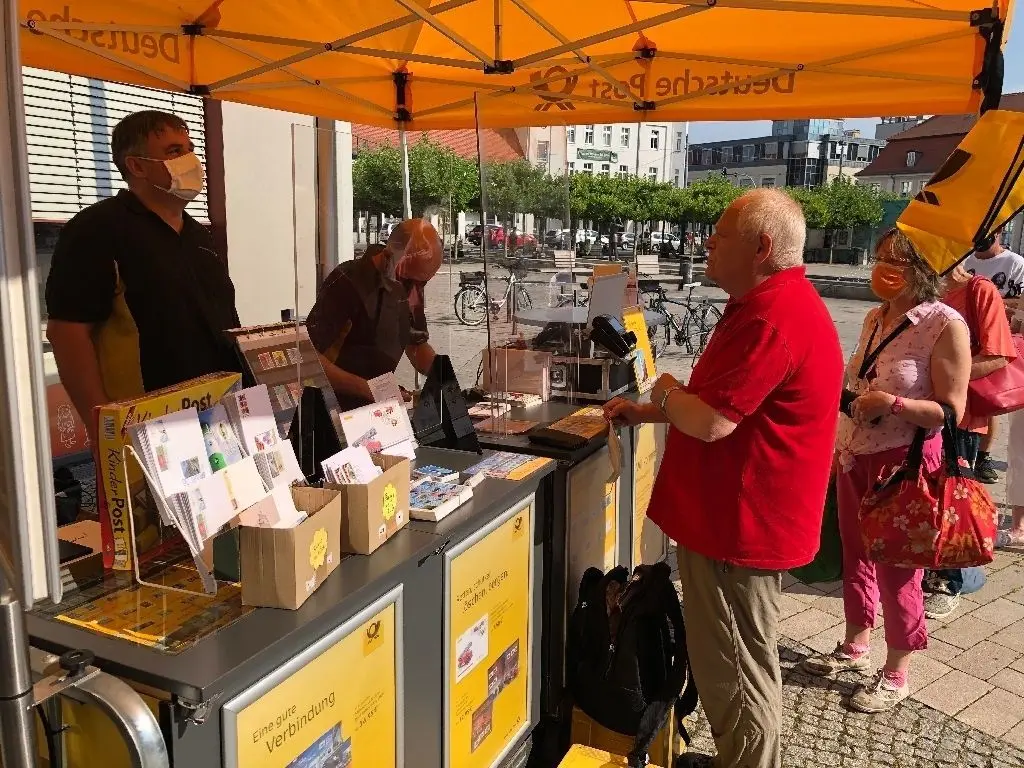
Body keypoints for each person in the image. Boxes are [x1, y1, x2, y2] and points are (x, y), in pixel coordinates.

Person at [604, 189, 844, 768]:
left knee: (734, 668)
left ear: (762, 247)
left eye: (722, 234)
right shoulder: (771, 305)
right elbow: (722, 400)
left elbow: (710, 420)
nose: (708, 242)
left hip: (739, 528)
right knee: (742, 662)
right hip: (736, 521)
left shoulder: (772, 316)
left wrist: (660, 388)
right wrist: (653, 409)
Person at [803, 229, 971, 714]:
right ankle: (856, 645)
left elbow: (952, 410)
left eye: (894, 260)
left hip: (905, 464)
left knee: (898, 571)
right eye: (878, 257)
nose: (882, 268)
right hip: (857, 454)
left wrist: (893, 403)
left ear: (923, 268)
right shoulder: (877, 317)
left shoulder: (945, 324)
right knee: (855, 556)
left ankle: (897, 670)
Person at [45, 110, 240, 444]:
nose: (191, 160)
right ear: (136, 166)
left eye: (191, 149)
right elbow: (68, 333)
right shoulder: (98, 229)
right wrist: (104, 430)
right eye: (174, 152)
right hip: (146, 425)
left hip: (217, 415)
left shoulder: (197, 234)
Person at [921, 264, 1016, 618]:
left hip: (960, 416)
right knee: (923, 493)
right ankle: (922, 567)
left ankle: (950, 581)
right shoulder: (923, 288)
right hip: (920, 410)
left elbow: (998, 354)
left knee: (954, 500)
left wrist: (944, 378)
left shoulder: (979, 290)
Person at [306, 219, 442, 411]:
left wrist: (443, 375)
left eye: (423, 283)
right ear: (388, 255)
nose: (415, 292)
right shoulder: (348, 281)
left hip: (380, 412)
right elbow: (310, 358)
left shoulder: (410, 287)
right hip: (334, 412)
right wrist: (370, 389)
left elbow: (416, 345)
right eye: (409, 281)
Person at [961, 229, 1024, 481]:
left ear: (998, 232)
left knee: (988, 400)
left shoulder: (1015, 263)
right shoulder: (965, 261)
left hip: (997, 339)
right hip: (965, 338)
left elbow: (1019, 303)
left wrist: (988, 302)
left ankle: (984, 457)